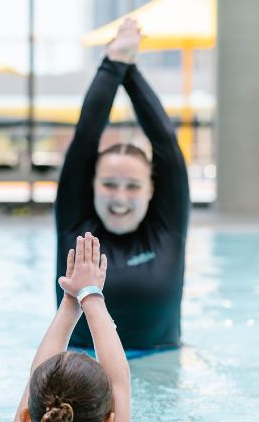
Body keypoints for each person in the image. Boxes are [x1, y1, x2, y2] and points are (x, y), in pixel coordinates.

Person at [55, 18, 190, 354]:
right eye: (109, 184)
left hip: (163, 367)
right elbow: (86, 136)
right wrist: (115, 64)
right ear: (91, 185)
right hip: (80, 377)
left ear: (151, 190)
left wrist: (122, 65)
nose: (119, 197)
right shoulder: (75, 224)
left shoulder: (167, 226)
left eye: (132, 186)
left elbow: (166, 145)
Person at [0, 232, 131, 422]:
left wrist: (69, 302)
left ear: (27, 419)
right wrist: (89, 295)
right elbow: (119, 381)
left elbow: (37, 377)